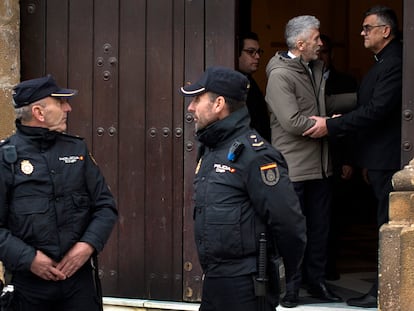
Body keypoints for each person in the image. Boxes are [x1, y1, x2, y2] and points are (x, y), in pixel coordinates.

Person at [180, 66, 306, 311]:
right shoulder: (211, 148)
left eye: (197, 99)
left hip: (246, 286)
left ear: (218, 104)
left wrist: (278, 276)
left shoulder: (255, 156)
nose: (190, 108)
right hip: (215, 280)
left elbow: (289, 224)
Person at [303, 6, 402, 308]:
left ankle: (384, 289)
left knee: (387, 224)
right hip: (378, 157)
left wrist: (331, 124)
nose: (362, 33)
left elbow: (377, 110)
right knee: (382, 222)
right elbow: (365, 103)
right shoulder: (383, 62)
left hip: (387, 157)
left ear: (386, 31)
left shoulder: (394, 62)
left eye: (367, 27)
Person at [0, 75, 118, 311]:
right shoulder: (5, 158)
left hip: (79, 285)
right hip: (28, 288)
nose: (68, 108)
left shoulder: (77, 150)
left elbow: (105, 207)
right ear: (38, 112)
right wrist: (29, 259)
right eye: (60, 102)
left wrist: (86, 246)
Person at [265, 15, 342, 307]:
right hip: (294, 167)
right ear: (300, 43)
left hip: (321, 165)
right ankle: (291, 289)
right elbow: (293, 121)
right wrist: (328, 123)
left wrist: (363, 100)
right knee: (294, 232)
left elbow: (322, 106)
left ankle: (317, 282)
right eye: (316, 39)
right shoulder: (280, 75)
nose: (321, 43)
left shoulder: (314, 69)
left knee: (320, 230)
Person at [318, 34, 359, 281]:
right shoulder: (304, 79)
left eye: (325, 52)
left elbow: (355, 126)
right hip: (311, 156)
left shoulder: (346, 81)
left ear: (331, 54)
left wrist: (349, 159)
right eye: (318, 51)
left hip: (338, 155)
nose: (321, 56)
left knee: (335, 216)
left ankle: (329, 267)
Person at [237, 32, 271, 142]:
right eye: (251, 52)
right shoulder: (234, 84)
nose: (257, 56)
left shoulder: (250, 81)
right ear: (237, 53)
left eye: (258, 52)